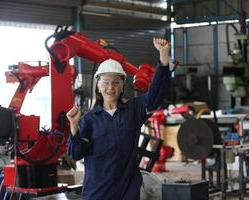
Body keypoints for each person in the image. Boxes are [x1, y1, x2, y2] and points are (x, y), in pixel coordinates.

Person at [66, 37, 171, 200]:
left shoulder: (134, 110)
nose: (110, 87)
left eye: (116, 82)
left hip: (127, 190)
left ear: (122, 86)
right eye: (105, 82)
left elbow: (156, 94)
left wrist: (163, 58)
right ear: (98, 86)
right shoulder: (89, 119)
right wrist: (74, 127)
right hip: (97, 192)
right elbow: (76, 154)